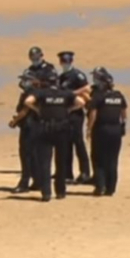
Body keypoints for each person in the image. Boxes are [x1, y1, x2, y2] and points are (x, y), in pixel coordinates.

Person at [24, 69, 85, 201]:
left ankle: (46, 193)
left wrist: (38, 109)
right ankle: (61, 191)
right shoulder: (64, 93)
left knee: (45, 162)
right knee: (61, 162)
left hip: (44, 128)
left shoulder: (41, 92)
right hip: (62, 129)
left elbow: (28, 101)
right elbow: (81, 102)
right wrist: (68, 109)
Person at [87, 67, 128, 197]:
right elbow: (124, 112)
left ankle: (100, 187)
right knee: (112, 159)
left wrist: (88, 129)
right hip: (116, 129)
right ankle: (111, 188)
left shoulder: (99, 96)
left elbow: (93, 114)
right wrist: (123, 125)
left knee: (98, 159)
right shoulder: (118, 95)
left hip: (101, 129)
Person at [57, 51, 92, 184]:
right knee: (65, 143)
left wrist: (72, 94)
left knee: (78, 142)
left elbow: (87, 88)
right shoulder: (61, 77)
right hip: (64, 113)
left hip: (76, 112)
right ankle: (67, 172)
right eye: (63, 61)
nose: (65, 63)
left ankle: (85, 172)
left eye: (67, 61)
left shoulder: (77, 75)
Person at [8, 70, 41, 193]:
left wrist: (15, 121)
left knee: (26, 155)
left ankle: (24, 183)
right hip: (30, 126)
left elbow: (25, 111)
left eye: (26, 79)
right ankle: (37, 181)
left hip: (30, 127)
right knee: (33, 155)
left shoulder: (32, 93)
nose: (23, 82)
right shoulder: (31, 93)